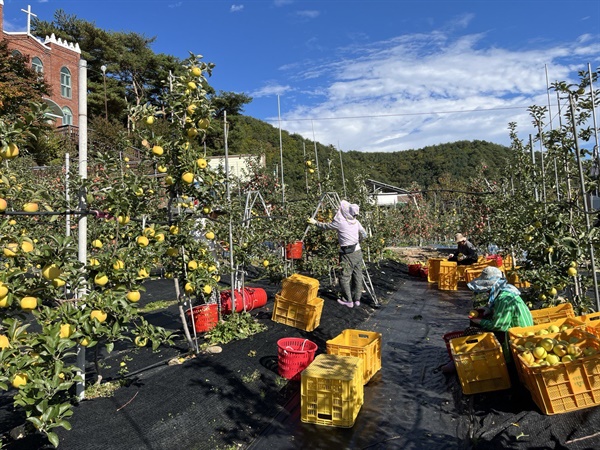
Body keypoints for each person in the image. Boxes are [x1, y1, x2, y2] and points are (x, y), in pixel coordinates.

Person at [441, 266, 533, 373]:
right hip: (517, 330)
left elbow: (499, 325)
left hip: (516, 337)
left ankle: (470, 359)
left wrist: (479, 321)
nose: (487, 292)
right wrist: (488, 309)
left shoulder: (504, 299)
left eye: (488, 289)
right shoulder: (507, 290)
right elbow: (502, 313)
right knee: (478, 328)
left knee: (473, 331)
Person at [308, 200, 367, 308]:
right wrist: (359, 240)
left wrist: (314, 222)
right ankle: (357, 299)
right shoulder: (356, 222)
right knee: (357, 275)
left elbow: (326, 227)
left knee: (344, 276)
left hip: (348, 253)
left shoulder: (340, 222)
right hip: (358, 251)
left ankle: (348, 300)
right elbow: (364, 234)